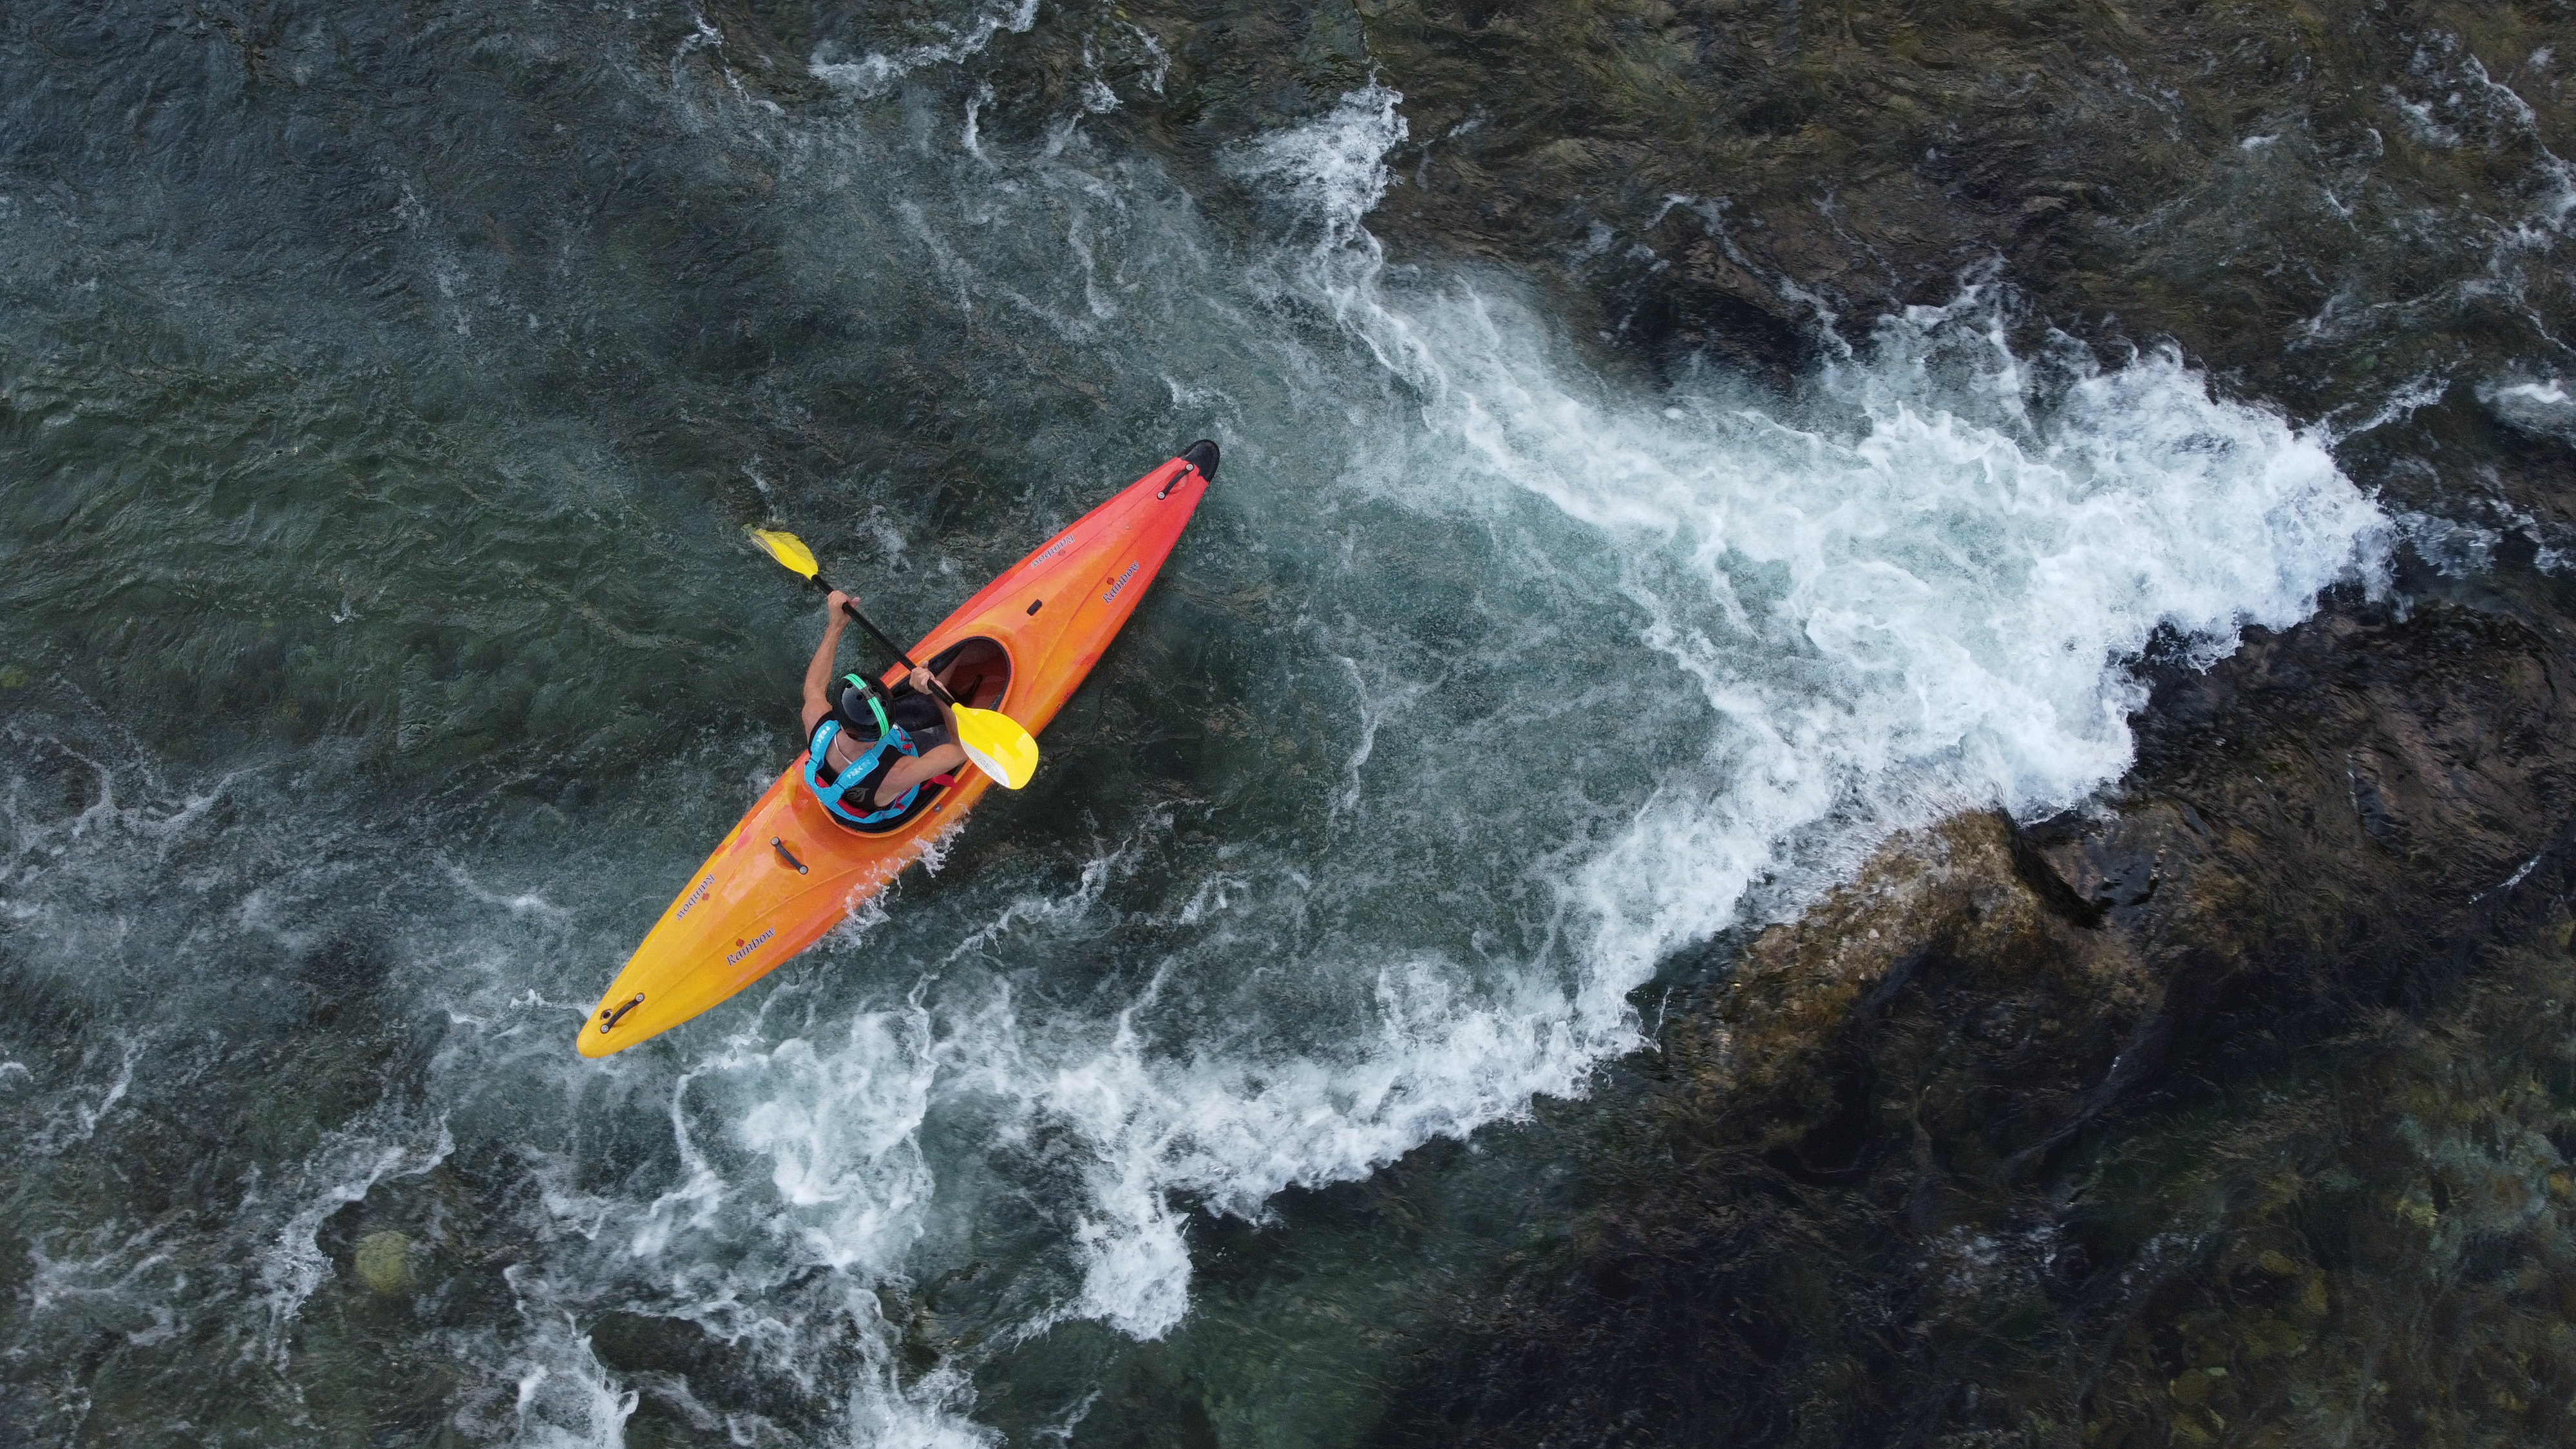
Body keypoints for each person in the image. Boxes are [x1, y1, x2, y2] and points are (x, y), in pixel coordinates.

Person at [799, 591, 971, 828]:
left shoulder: (815, 720)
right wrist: (938, 691)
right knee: (960, 711)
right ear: (888, 726)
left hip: (860, 787)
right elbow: (962, 749)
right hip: (889, 793)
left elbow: (814, 686)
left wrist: (835, 626)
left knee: (940, 673)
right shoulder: (897, 773)